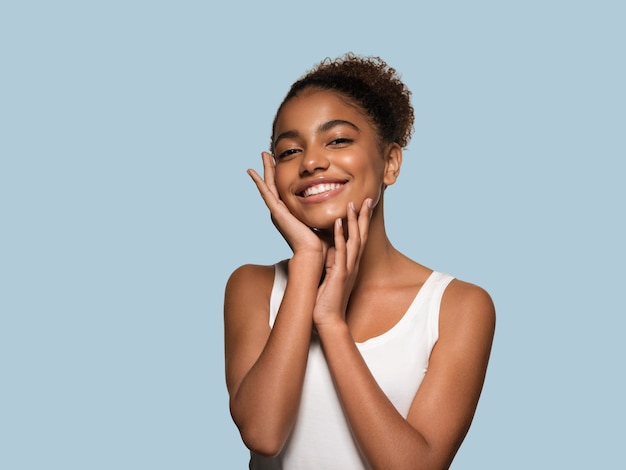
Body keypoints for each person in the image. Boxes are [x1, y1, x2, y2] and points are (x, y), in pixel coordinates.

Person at [224, 53, 495, 470]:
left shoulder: (457, 307)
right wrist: (308, 262)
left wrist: (331, 323)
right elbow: (263, 433)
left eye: (337, 140)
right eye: (290, 150)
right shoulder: (252, 286)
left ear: (390, 163)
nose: (311, 162)